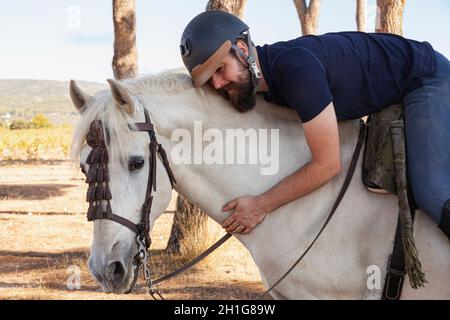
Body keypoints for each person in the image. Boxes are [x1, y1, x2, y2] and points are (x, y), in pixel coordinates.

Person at [179, 10, 450, 240]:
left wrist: (261, 205)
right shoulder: (269, 79)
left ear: (241, 50)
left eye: (219, 69)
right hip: (404, 82)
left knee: (430, 190)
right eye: (208, 80)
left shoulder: (296, 72)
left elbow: (328, 164)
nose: (216, 84)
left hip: (427, 76)